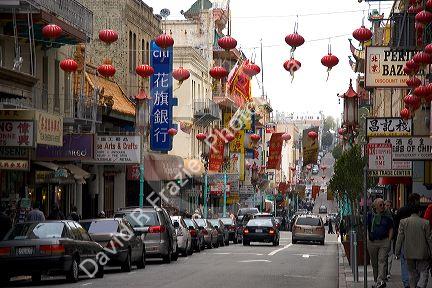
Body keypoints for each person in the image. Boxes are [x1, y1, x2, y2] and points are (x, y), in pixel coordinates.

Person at [395, 203, 432, 288]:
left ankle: (413, 286)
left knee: (411, 272)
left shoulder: (403, 222)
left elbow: (399, 238)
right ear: (420, 212)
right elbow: (429, 240)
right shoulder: (425, 223)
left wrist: (397, 252)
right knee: (424, 271)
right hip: (422, 252)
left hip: (409, 252)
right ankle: (420, 285)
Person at [395, 193, 421, 288]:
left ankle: (406, 283)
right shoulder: (419, 211)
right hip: (417, 239)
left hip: (405, 240)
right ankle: (416, 282)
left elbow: (397, 226)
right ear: (415, 200)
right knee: (417, 262)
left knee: (405, 262)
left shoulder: (401, 210)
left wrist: (396, 248)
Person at [367, 198, 394, 288]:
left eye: (383, 204)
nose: (383, 206)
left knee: (382, 261)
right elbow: (366, 227)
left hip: (384, 241)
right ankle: (377, 281)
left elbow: (391, 228)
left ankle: (380, 281)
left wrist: (389, 240)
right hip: (372, 242)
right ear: (375, 206)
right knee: (374, 263)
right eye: (380, 205)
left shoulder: (387, 215)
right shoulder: (370, 215)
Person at [384, 200, 395, 280]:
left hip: (390, 239)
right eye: (386, 205)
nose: (388, 207)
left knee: (390, 256)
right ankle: (385, 271)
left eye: (389, 205)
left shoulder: (393, 215)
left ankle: (388, 272)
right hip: (383, 239)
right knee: (384, 256)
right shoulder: (382, 215)